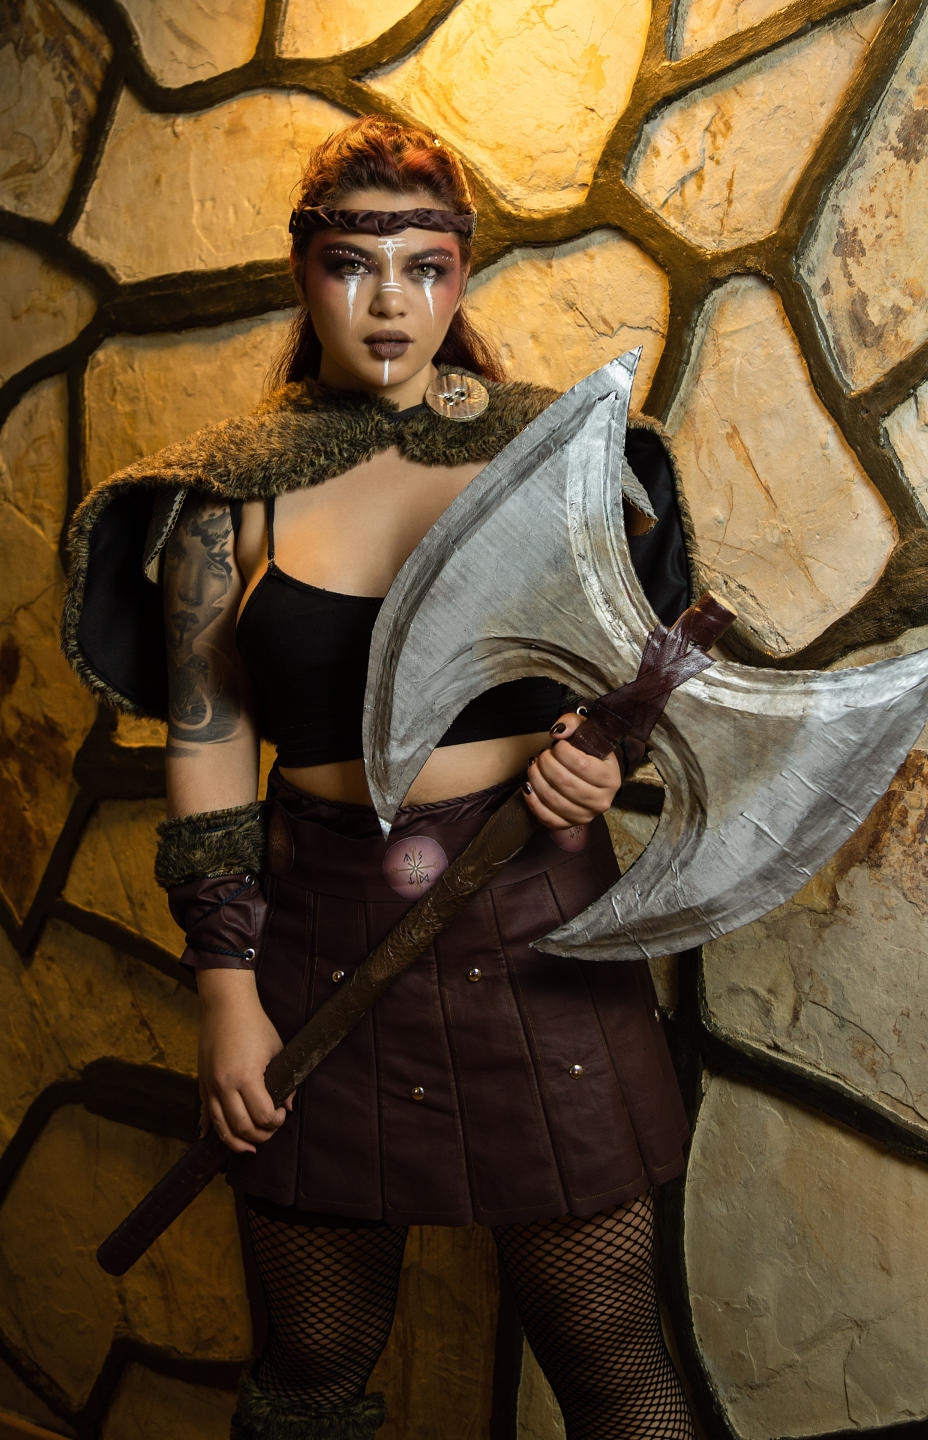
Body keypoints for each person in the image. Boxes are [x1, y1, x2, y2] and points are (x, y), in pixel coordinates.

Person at [63, 117, 695, 1440]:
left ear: (462, 277)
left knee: (610, 1359)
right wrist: (227, 992)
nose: (389, 301)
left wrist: (604, 753)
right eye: (353, 264)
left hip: (539, 926)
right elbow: (210, 747)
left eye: (425, 266)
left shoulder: (559, 455)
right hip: (317, 944)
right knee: (309, 1370)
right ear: (305, 273)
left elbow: (640, 667)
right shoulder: (224, 500)